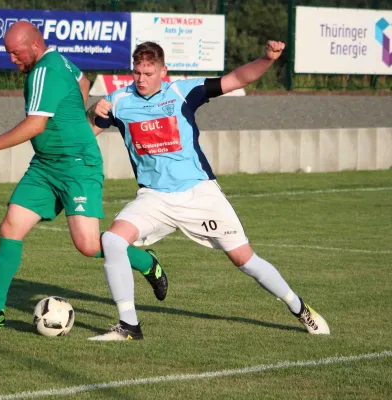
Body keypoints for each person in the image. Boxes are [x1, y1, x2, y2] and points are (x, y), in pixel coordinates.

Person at [86, 40, 330, 340]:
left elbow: (239, 78)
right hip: (154, 197)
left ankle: (299, 308)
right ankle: (129, 326)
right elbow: (88, 131)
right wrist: (92, 109)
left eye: (148, 73)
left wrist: (267, 59)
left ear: (164, 71)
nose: (141, 79)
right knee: (111, 240)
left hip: (199, 195)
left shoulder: (181, 91)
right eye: (137, 72)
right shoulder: (119, 100)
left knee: (245, 260)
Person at [0, 22, 167, 331]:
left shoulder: (44, 70)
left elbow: (35, 125)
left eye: (16, 53)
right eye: (9, 54)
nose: (13, 60)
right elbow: (83, 81)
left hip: (78, 166)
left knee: (89, 245)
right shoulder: (57, 58)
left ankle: (148, 264)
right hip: (46, 166)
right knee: (11, 226)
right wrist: (75, 118)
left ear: (34, 47)